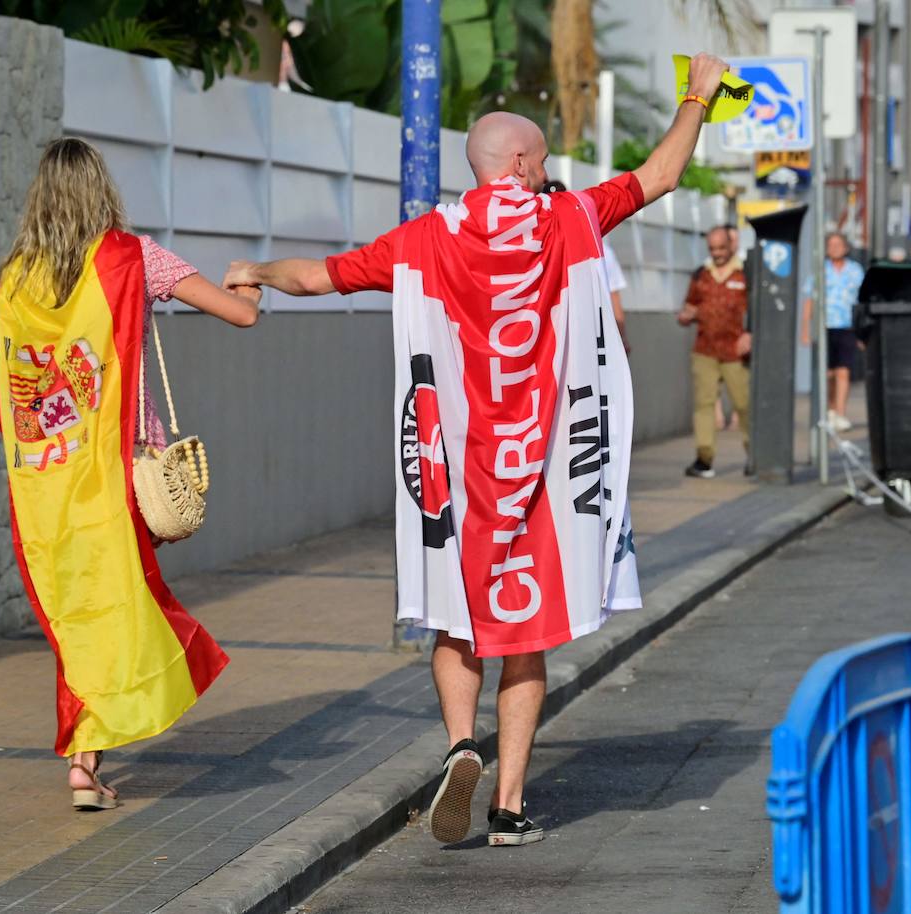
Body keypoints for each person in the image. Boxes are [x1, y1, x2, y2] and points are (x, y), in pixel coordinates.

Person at [221, 53, 731, 848]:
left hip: (460, 479)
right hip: (545, 476)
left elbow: (319, 276)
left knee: (458, 623)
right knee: (524, 638)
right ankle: (509, 806)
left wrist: (254, 269)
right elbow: (661, 174)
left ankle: (462, 746)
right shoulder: (569, 219)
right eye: (545, 159)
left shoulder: (426, 237)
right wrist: (698, 92)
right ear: (524, 165)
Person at [0, 138, 261, 810]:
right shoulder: (134, 259)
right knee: (116, 601)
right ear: (101, 189)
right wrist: (247, 282)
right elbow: (241, 314)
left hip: (49, 478)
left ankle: (86, 757)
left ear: (40, 198)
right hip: (122, 474)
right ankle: (85, 756)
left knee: (82, 607)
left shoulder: (15, 277)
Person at [678, 225, 752, 478]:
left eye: (721, 248)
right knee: (704, 404)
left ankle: (754, 455)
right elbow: (689, 305)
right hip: (705, 349)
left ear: (731, 245)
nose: (717, 253)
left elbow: (757, 310)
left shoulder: (746, 274)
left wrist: (750, 334)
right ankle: (704, 458)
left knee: (744, 404)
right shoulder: (701, 275)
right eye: (712, 249)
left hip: (736, 351)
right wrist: (686, 315)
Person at [540, 180, 630, 352]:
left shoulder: (603, 251)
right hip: (577, 335)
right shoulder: (601, 248)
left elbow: (614, 297)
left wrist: (622, 337)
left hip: (587, 334)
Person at [801, 231, 865, 432]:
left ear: (845, 248)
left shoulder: (855, 271)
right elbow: (809, 300)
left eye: (838, 245)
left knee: (843, 371)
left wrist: (863, 332)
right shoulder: (821, 271)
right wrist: (806, 329)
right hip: (825, 326)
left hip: (847, 326)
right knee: (828, 373)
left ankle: (840, 412)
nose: (835, 248)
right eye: (831, 245)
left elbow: (862, 300)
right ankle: (829, 409)